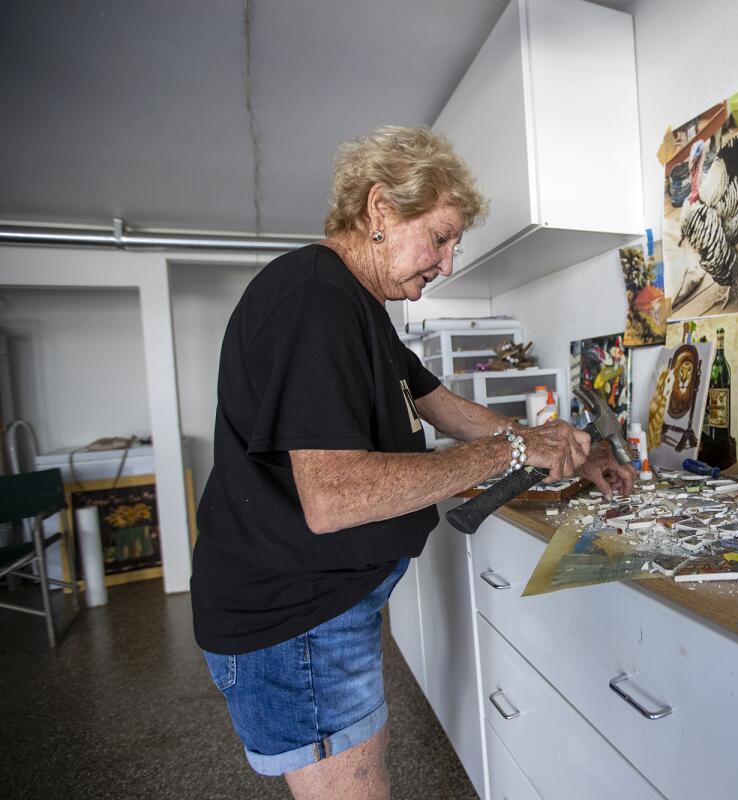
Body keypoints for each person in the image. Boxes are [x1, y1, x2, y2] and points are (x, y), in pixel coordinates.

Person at [191, 125, 635, 800]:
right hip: (294, 623)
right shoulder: (315, 299)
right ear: (380, 211)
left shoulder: (359, 307)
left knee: (370, 764)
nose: (449, 262)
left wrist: (560, 449)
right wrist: (515, 448)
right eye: (442, 236)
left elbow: (439, 403)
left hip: (321, 611)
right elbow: (334, 495)